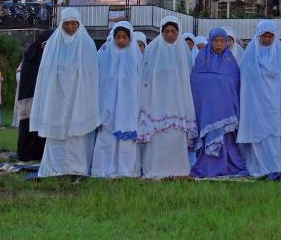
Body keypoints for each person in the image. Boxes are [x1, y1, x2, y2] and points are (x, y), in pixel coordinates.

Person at [31, 8, 100, 177]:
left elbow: (92, 74)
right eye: (66, 24)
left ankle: (78, 168)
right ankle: (55, 168)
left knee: (78, 135)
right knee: (57, 134)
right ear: (61, 24)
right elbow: (46, 73)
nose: (70, 27)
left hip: (80, 96)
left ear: (79, 24)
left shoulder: (88, 44)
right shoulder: (53, 46)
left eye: (73, 24)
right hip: (57, 97)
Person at [138, 16, 198, 178]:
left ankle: (179, 170)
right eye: (166, 31)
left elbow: (188, 79)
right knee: (158, 138)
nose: (170, 35)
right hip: (156, 104)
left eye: (173, 31)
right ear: (161, 32)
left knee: (176, 136)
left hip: (178, 105)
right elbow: (146, 79)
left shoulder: (184, 51)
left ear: (178, 32)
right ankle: (155, 169)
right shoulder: (152, 49)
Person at [237, 20, 281, 178]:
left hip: (277, 104)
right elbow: (247, 82)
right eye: (264, 36)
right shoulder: (250, 54)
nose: (267, 39)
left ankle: (279, 166)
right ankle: (260, 166)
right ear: (258, 35)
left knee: (276, 135)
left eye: (270, 36)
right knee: (260, 136)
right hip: (257, 104)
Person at [190, 27, 247, 178]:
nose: (219, 44)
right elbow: (196, 80)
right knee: (210, 137)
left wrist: (220, 82)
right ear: (210, 42)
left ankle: (228, 165)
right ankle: (207, 167)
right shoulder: (202, 58)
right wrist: (214, 82)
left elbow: (235, 81)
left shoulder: (230, 60)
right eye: (216, 41)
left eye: (223, 41)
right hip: (207, 106)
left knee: (227, 138)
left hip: (226, 107)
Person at [91, 21, 142, 178]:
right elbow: (100, 82)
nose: (121, 40)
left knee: (127, 141)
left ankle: (127, 171)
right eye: (118, 37)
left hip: (129, 107)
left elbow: (140, 83)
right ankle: (102, 171)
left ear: (130, 38)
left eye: (124, 37)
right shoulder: (105, 56)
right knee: (107, 138)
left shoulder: (136, 56)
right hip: (108, 106)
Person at [16, 30, 54, 161]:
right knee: (29, 126)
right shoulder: (31, 55)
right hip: (31, 98)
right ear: (40, 44)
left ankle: (41, 154)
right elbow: (27, 76)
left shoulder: (54, 56)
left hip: (47, 99)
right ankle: (26, 154)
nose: (47, 47)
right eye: (45, 44)